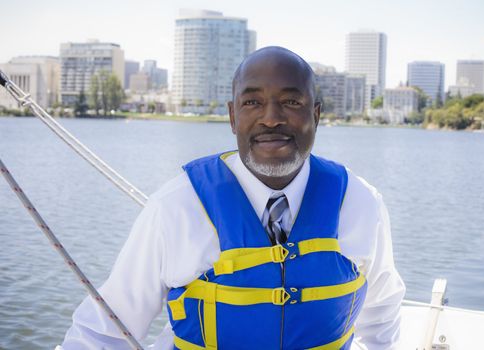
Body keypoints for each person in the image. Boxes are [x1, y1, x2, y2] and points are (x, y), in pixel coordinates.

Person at [62, 46, 405, 349]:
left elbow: (382, 313)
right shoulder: (176, 207)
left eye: (291, 101)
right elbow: (103, 333)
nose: (271, 118)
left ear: (315, 114)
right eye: (252, 102)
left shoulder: (360, 203)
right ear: (232, 116)